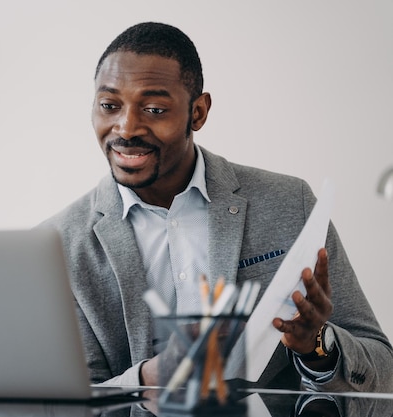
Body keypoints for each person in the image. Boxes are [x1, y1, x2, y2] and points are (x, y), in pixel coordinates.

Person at [41, 22, 393, 392]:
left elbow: (383, 369)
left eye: (155, 109)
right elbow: (60, 400)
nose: (126, 128)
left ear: (198, 112)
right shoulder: (55, 246)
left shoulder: (290, 202)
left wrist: (317, 345)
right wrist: (146, 380)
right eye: (109, 106)